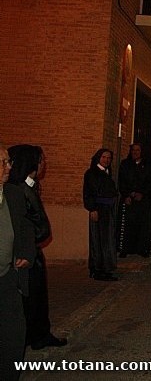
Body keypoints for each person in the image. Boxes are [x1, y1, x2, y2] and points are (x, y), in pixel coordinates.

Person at [8, 145, 67, 350]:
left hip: (32, 251)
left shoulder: (28, 186)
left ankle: (38, 334)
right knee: (29, 299)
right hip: (26, 254)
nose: (43, 164)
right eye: (41, 160)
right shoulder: (19, 190)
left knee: (36, 298)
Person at [0, 145, 35, 381]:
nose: (9, 167)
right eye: (3, 162)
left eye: (8, 161)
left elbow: (26, 228)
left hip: (7, 277)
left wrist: (26, 252)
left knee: (13, 334)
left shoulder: (12, 193)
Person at [82, 148, 119, 281]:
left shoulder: (107, 173)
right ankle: (98, 269)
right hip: (98, 210)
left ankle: (105, 268)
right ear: (98, 158)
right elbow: (88, 193)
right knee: (98, 240)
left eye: (109, 158)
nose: (106, 160)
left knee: (107, 240)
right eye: (104, 157)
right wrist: (92, 209)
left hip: (108, 210)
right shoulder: (91, 173)